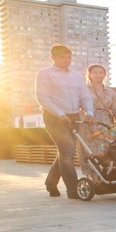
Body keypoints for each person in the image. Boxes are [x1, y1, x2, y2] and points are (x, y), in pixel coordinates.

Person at [35, 45, 93, 198]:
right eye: (62, 57)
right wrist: (60, 114)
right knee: (68, 151)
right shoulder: (45, 74)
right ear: (53, 57)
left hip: (74, 117)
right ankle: (73, 190)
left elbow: (85, 96)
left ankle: (50, 182)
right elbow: (43, 98)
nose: (66, 60)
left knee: (66, 152)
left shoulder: (76, 75)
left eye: (69, 57)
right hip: (54, 118)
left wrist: (90, 113)